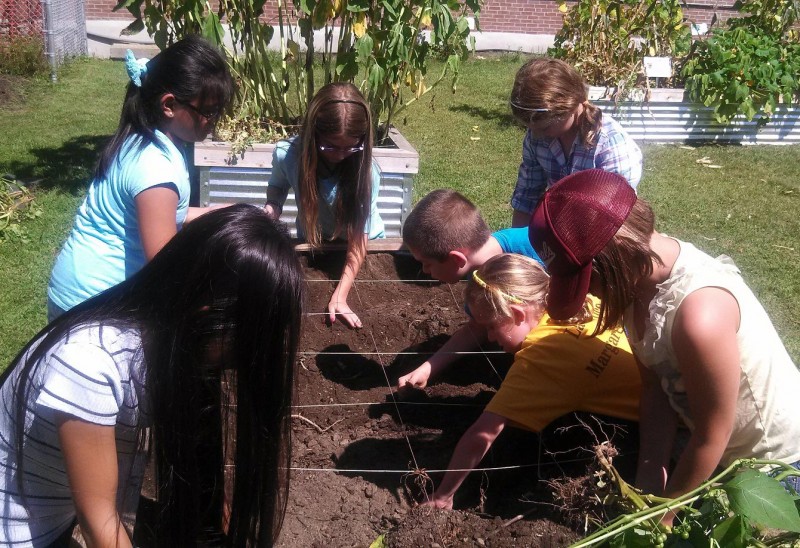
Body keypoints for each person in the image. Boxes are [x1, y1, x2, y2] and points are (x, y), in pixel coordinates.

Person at [1, 204, 303, 546]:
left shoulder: (179, 341)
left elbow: (199, 476)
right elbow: (98, 521)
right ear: (206, 314)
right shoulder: (90, 364)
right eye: (249, 341)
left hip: (54, 517)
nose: (250, 357)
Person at [528, 168, 800, 500]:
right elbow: (656, 389)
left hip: (774, 466)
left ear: (615, 259)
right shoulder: (635, 286)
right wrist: (648, 479)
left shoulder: (699, 317)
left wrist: (664, 517)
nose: (592, 295)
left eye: (588, 281)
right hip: (715, 446)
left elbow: (713, 436)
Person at [412, 253, 640, 509]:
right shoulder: (580, 302)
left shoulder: (539, 360)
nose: (488, 336)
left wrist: (443, 494)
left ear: (518, 314)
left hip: (636, 437)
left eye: (491, 326)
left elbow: (482, 434)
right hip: (659, 396)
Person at [47, 35, 235, 321]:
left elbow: (160, 214)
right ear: (169, 105)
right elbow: (165, 271)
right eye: (209, 112)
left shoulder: (142, 137)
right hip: (93, 306)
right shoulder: (156, 168)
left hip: (75, 291)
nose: (216, 119)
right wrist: (215, 303)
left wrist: (215, 214)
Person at [264, 82, 384, 329]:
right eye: (330, 146)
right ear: (312, 133)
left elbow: (358, 242)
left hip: (363, 246)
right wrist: (272, 207)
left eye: (351, 146)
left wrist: (340, 296)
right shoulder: (289, 155)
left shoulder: (366, 172)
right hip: (313, 241)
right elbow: (277, 185)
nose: (341, 154)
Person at [399, 188, 543, 387]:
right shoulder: (479, 280)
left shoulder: (539, 247)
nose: (424, 271)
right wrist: (428, 368)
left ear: (457, 259)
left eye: (427, 263)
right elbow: (477, 328)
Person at [509, 57, 643, 228]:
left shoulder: (611, 146)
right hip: (562, 226)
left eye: (544, 128)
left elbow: (613, 220)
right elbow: (527, 197)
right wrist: (515, 247)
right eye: (530, 128)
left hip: (605, 232)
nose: (534, 135)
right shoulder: (538, 136)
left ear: (571, 107)